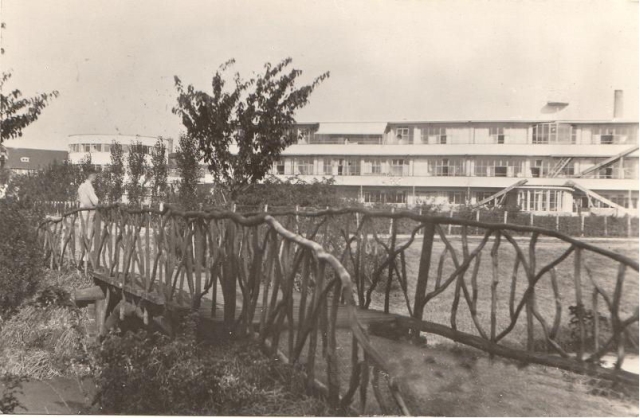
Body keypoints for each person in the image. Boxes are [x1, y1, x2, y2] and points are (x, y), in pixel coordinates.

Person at [77, 173, 99, 266]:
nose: (95, 180)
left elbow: (78, 198)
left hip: (82, 209)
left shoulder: (81, 186)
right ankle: (85, 257)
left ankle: (80, 256)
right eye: (95, 178)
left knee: (82, 232)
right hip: (87, 210)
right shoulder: (88, 186)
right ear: (92, 177)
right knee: (88, 233)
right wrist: (97, 202)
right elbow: (95, 200)